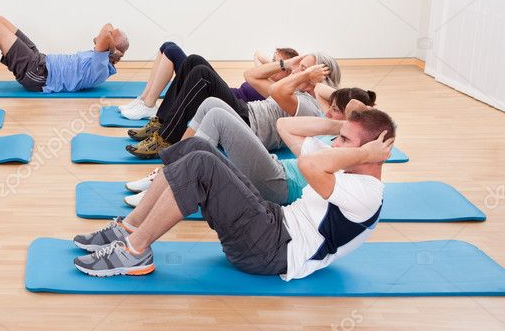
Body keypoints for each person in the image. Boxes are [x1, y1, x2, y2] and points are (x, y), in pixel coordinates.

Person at [71, 108, 396, 280]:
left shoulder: (366, 193)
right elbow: (287, 127)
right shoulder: (341, 164)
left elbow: (311, 166)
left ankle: (135, 252)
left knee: (200, 164)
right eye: (339, 140)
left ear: (370, 153)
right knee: (197, 146)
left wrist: (365, 153)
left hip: (272, 251)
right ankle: (129, 228)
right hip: (271, 223)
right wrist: (338, 131)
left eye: (345, 142)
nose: (336, 146)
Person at [124, 91, 376, 208]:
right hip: (274, 167)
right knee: (211, 102)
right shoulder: (329, 145)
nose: (338, 140)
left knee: (218, 119)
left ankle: (171, 181)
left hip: (279, 184)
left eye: (345, 137)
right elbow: (284, 125)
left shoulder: (346, 163)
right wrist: (340, 125)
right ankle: (167, 174)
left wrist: (351, 128)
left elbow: (357, 108)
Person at [126, 51, 342, 157]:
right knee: (194, 61)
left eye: (304, 68)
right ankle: (162, 123)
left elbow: (277, 90)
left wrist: (304, 75)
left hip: (248, 125)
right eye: (300, 67)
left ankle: (165, 140)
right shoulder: (293, 91)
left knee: (202, 75)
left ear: (319, 76)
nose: (297, 71)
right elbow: (251, 76)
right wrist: (286, 64)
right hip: (244, 112)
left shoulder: (308, 106)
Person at [118, 42, 299, 120]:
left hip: (223, 100)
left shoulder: (275, 89)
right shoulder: (265, 77)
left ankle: (149, 105)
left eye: (279, 64)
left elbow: (252, 70)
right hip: (223, 91)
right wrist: (280, 65)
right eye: (274, 60)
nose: (274, 64)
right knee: (168, 46)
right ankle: (144, 99)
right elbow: (258, 54)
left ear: (288, 73)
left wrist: (287, 67)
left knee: (174, 53)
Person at [0, 15, 128, 93]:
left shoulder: (100, 66)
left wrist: (112, 50)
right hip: (41, 60)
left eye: (111, 37)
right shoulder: (103, 56)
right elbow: (108, 27)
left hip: (39, 75)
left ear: (110, 47)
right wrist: (112, 46)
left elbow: (105, 35)